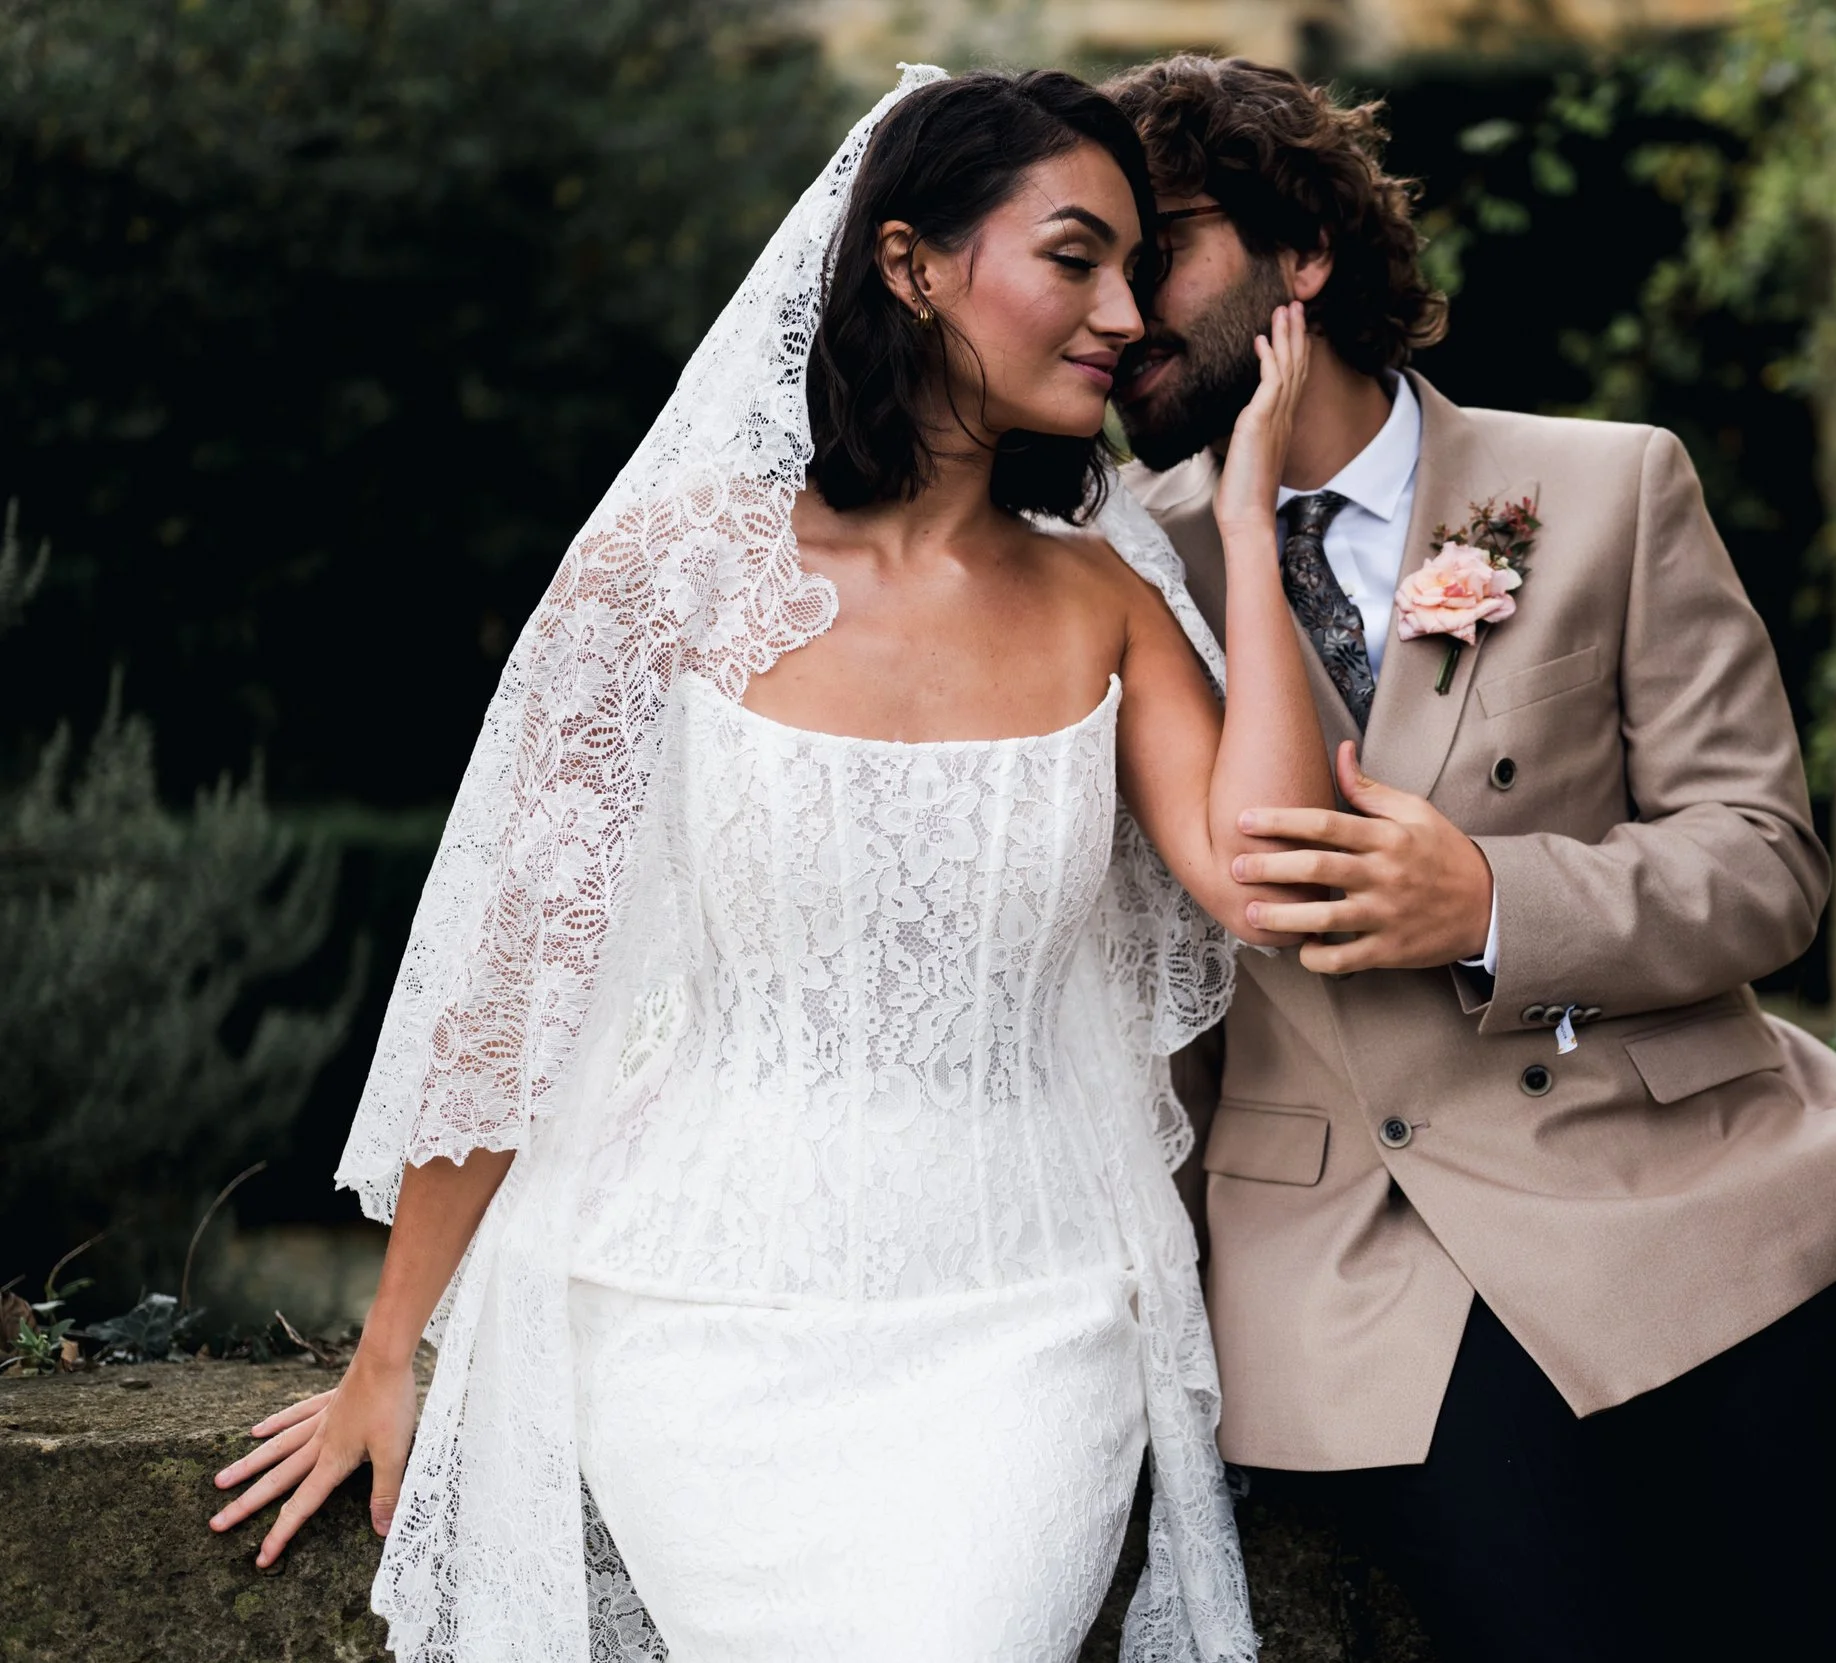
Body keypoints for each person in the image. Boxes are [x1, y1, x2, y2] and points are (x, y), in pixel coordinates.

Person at [204, 65, 1332, 1663]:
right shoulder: (667, 576)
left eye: (1139, 269)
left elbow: (1265, 871)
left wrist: (1248, 518)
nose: (1129, 311)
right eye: (1076, 258)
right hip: (691, 1305)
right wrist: (393, 1347)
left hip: (1030, 1311)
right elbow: (517, 971)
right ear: (909, 262)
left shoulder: (1108, 601)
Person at [1104, 54, 1836, 1660]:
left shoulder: (1599, 487)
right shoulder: (1128, 571)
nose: (1123, 309)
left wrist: (1493, 901)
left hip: (1676, 1178)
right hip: (1361, 1247)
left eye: (1165, 249)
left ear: (1305, 257)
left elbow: (1763, 860)